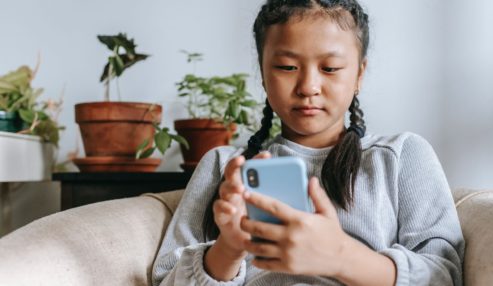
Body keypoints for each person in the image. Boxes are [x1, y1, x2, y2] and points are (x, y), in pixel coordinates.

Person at [152, 0, 465, 285]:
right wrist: (229, 248)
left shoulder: (400, 156)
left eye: (330, 68)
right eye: (287, 67)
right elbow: (166, 277)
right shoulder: (224, 166)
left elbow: (444, 275)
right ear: (262, 73)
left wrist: (340, 256)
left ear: (359, 74)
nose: (308, 87)